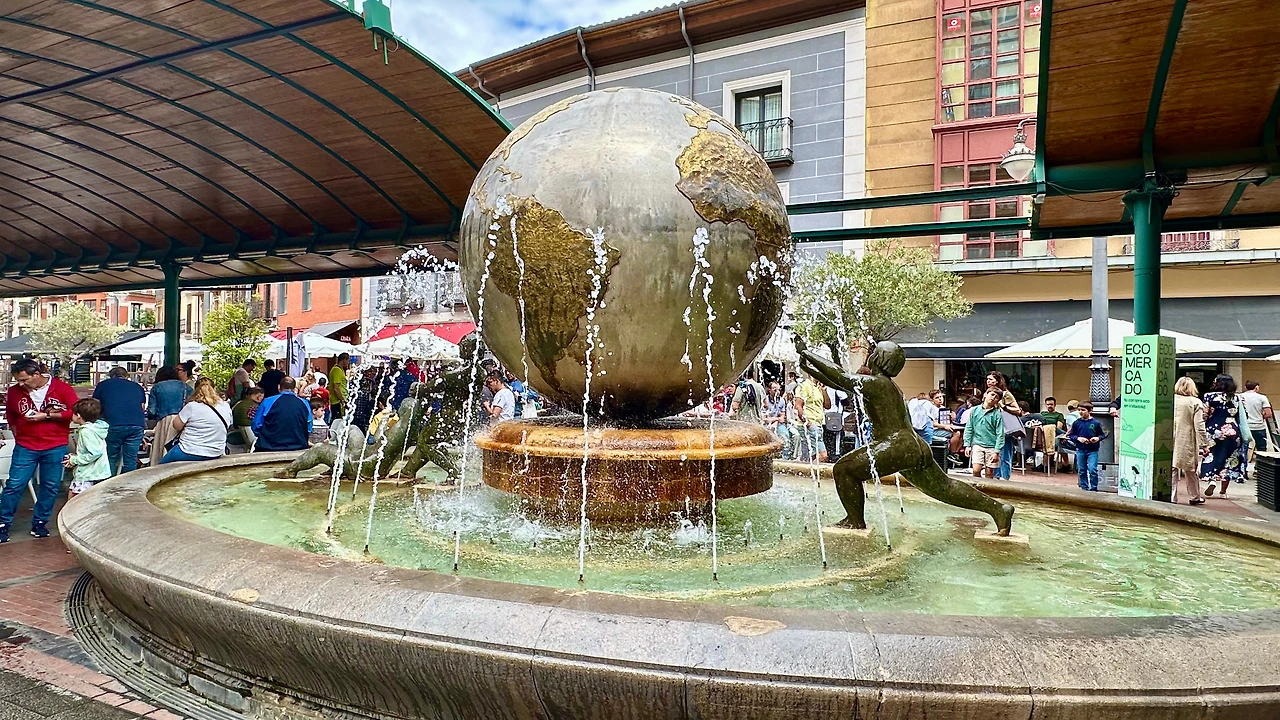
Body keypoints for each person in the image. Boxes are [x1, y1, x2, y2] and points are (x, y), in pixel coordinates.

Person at [797, 338, 1013, 535]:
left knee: (843, 470)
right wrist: (809, 367)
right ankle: (998, 509)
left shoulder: (877, 383)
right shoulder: (887, 385)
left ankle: (855, 521)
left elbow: (842, 376)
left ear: (878, 359)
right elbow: (839, 382)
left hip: (896, 444)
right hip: (913, 444)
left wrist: (807, 353)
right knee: (944, 487)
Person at [0, 359, 79, 543]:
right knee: (14, 485)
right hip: (25, 445)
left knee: (50, 486)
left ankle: (40, 522)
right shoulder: (15, 391)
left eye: (24, 380)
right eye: (18, 380)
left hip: (55, 444)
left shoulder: (61, 388)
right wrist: (17, 433)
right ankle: (3, 523)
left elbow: (74, 412)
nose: (21, 384)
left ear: (36, 374)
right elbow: (11, 415)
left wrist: (47, 415)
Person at [161, 377, 231, 464]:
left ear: (196, 390)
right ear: (214, 389)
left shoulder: (192, 406)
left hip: (188, 450)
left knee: (160, 467)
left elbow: (176, 426)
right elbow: (229, 424)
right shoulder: (225, 406)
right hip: (216, 452)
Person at [92, 366, 146, 475]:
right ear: (126, 376)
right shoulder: (137, 387)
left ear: (111, 376)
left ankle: (109, 482)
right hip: (136, 425)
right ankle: (129, 483)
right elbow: (142, 407)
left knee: (111, 457)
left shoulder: (103, 385)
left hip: (113, 423)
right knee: (130, 459)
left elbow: (95, 406)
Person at [1201, 374, 1246, 498]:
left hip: (1214, 429)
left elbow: (1204, 414)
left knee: (1212, 455)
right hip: (1233, 430)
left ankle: (1212, 479)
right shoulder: (1238, 398)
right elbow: (1243, 415)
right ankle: (1223, 491)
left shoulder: (1209, 396)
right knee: (1229, 458)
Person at [63, 398, 111, 498]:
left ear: (78, 416)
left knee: (74, 500)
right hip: (97, 472)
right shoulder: (96, 428)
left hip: (87, 474)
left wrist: (74, 460)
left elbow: (95, 452)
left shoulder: (86, 431)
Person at [252, 376, 312, 452]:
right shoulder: (304, 403)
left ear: (278, 387)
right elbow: (309, 428)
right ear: (294, 389)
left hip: (268, 447)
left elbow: (256, 425)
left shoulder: (267, 402)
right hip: (298, 446)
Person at [1172, 377, 1208, 505]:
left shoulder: (1170, 400)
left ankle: (1172, 497)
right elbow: (1199, 425)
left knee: (1172, 467)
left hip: (1168, 436)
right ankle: (1195, 496)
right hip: (1187, 437)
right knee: (1191, 468)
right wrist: (1204, 443)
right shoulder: (1195, 402)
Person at [147, 365, 192, 466]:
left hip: (164, 422)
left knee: (160, 452)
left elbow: (152, 411)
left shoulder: (157, 387)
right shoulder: (186, 387)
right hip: (182, 420)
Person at [985, 371, 1021, 480]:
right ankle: (996, 476)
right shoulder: (987, 393)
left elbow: (1017, 410)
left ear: (997, 381)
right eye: (987, 379)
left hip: (1005, 428)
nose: (988, 381)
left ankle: (1005, 477)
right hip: (992, 428)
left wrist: (1004, 407)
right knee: (994, 453)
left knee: (1005, 454)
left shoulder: (1006, 394)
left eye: (991, 379)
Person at [963, 390, 1004, 479]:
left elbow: (1000, 433)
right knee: (976, 470)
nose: (993, 398)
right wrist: (967, 445)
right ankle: (977, 486)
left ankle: (988, 487)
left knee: (989, 472)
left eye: (996, 397)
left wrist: (996, 451)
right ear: (986, 395)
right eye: (992, 395)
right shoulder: (975, 410)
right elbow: (969, 428)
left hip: (992, 446)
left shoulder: (997, 414)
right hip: (977, 444)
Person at [1066, 403, 1106, 491]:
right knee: (1082, 470)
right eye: (1079, 410)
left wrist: (1097, 438)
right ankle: (1084, 488)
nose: (1081, 412)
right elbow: (1071, 435)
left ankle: (1094, 488)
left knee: (1092, 469)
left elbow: (1102, 435)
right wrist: (1078, 438)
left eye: (1083, 410)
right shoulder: (1076, 423)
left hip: (1092, 450)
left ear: (1090, 411)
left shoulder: (1096, 423)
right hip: (1080, 449)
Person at [793, 371, 829, 463]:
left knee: (811, 456)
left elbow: (827, 405)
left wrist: (824, 390)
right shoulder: (804, 386)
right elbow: (798, 406)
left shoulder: (819, 387)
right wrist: (807, 423)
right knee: (823, 455)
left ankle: (808, 470)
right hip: (810, 425)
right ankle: (809, 470)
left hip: (818, 425)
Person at [1240, 381, 1272, 459]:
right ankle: (1260, 463)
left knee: (1243, 447)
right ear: (1256, 387)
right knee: (1261, 449)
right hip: (1258, 426)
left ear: (1245, 387)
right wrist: (1261, 417)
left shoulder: (1239, 397)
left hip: (1244, 427)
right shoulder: (1262, 397)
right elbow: (1268, 414)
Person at [228, 387, 264, 454]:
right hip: (252, 436)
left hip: (237, 432)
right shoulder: (254, 407)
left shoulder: (239, 404)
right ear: (259, 396)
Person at [329, 353, 351, 418]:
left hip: (339, 401)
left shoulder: (340, 370)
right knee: (338, 421)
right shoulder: (337, 370)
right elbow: (336, 388)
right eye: (348, 360)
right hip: (337, 402)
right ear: (344, 360)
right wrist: (342, 400)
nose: (348, 363)